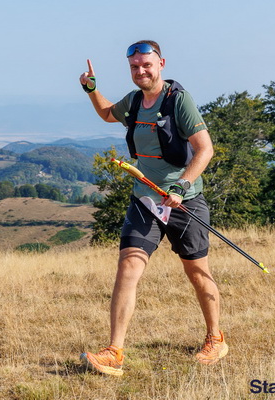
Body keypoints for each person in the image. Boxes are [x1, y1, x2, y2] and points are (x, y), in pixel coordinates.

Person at [79, 40, 227, 376]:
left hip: (183, 202)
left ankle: (215, 337)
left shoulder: (178, 101)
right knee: (128, 266)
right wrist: (92, 89)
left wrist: (182, 186)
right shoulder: (134, 101)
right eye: (135, 67)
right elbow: (107, 113)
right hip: (145, 199)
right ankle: (114, 352)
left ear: (161, 64)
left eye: (146, 65)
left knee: (196, 272)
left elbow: (205, 149)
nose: (141, 71)